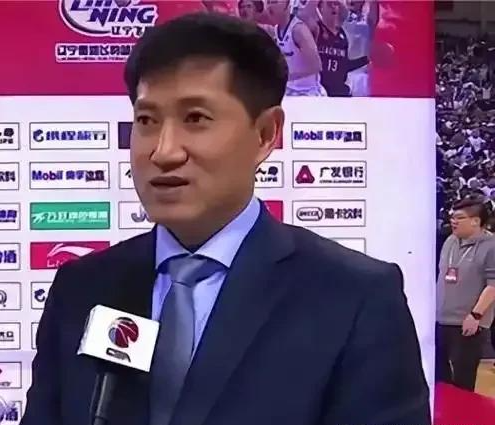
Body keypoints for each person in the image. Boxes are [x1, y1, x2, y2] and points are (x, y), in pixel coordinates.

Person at [21, 12, 430, 425]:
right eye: (146, 121)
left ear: (266, 133)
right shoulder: (82, 288)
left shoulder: (354, 298)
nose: (163, 151)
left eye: (195, 119)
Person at [436, 196, 495, 391]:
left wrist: (476, 315)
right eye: (452, 217)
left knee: (463, 381)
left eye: (459, 218)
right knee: (440, 380)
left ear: (476, 221)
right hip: (441, 320)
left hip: (468, 323)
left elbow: (493, 285)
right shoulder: (450, 241)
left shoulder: (491, 246)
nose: (453, 221)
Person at [265, 0, 325, 96]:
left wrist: (288, 76)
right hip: (289, 90)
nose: (269, 7)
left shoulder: (299, 30)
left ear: (287, 5)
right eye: (268, 2)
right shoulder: (276, 30)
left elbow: (316, 66)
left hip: (308, 92)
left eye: (274, 2)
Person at [343, 0, 379, 96]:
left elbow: (373, 18)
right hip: (344, 72)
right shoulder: (341, 12)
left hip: (362, 73)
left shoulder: (369, 16)